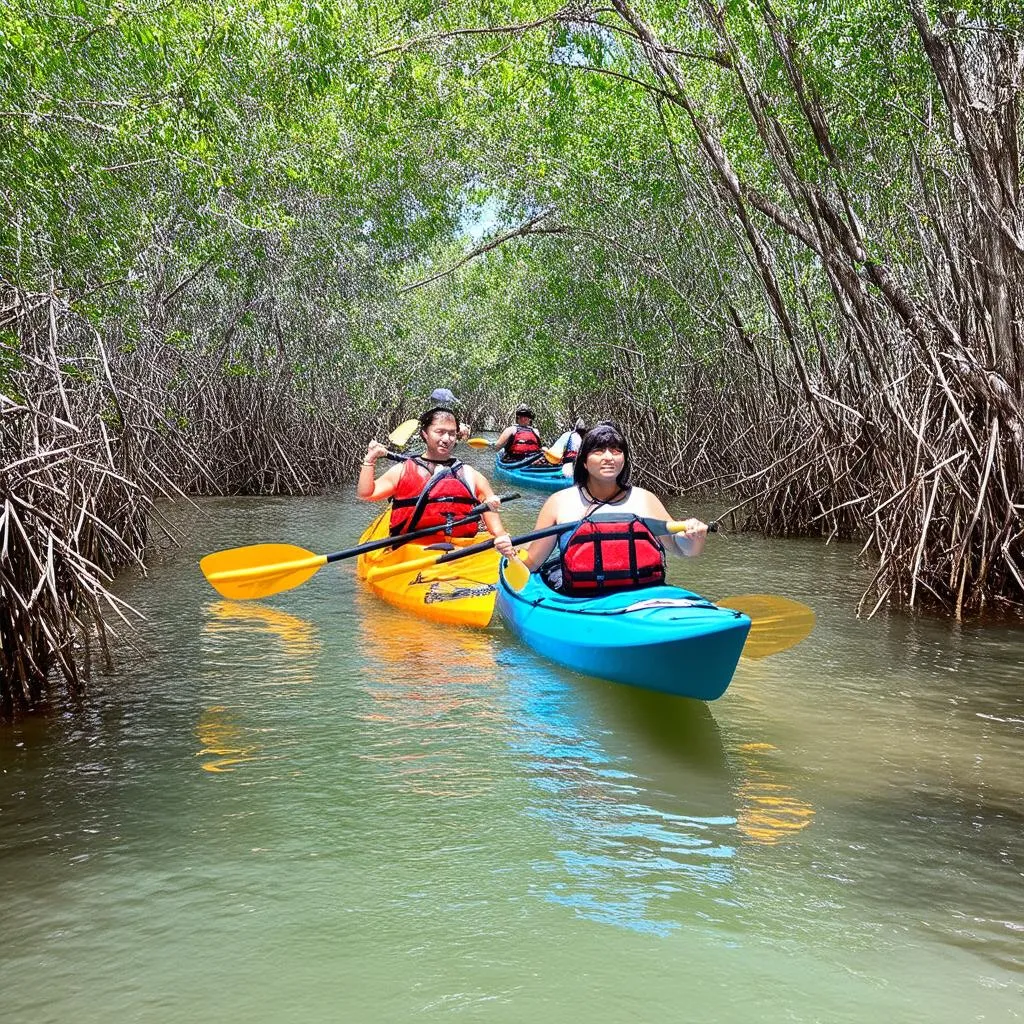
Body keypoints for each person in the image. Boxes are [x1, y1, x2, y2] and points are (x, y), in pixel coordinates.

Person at [517, 420, 708, 594]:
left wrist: (694, 536)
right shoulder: (559, 502)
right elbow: (533, 562)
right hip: (581, 601)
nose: (609, 457)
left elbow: (683, 550)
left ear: (624, 459)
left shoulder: (644, 499)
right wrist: (510, 556)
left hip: (644, 597)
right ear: (583, 461)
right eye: (599, 451)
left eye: (616, 451)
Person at [359, 405, 515, 557]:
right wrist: (370, 459)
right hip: (410, 551)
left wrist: (501, 537)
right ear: (425, 434)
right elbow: (367, 494)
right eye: (439, 432)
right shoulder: (403, 470)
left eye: (452, 433)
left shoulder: (470, 474)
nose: (446, 439)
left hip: (462, 551)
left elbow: (493, 518)